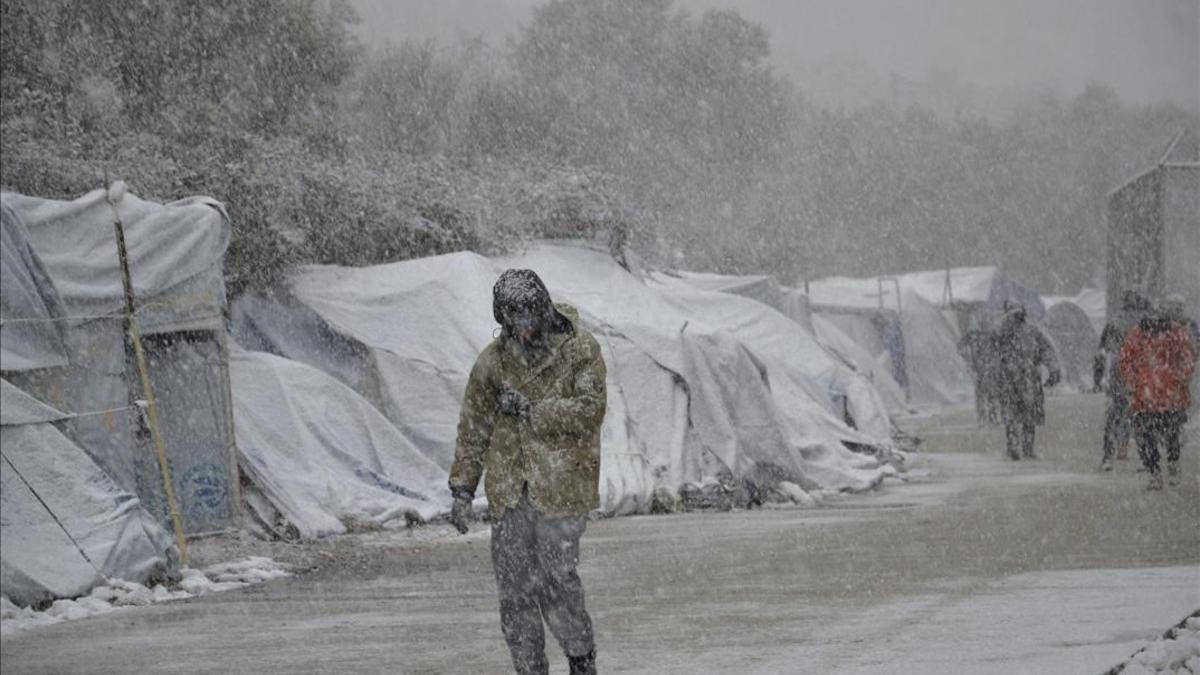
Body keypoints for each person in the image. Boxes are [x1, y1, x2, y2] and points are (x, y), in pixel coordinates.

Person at [448, 269, 607, 675]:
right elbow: (473, 427)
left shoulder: (579, 350)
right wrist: (463, 488)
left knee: (557, 580)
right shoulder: (492, 362)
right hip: (509, 491)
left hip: (562, 487)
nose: (521, 328)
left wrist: (535, 412)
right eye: (511, 319)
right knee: (515, 591)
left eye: (527, 317)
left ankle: (580, 658)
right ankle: (529, 668)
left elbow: (591, 410)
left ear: (543, 310)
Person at [1119, 304, 1196, 489]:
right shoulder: (1176, 333)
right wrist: (1180, 378)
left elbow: (1125, 360)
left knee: (1149, 438)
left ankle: (1156, 472)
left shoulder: (1137, 334)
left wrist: (1133, 382)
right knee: (1169, 436)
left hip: (1148, 397)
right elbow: (1188, 358)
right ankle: (1167, 467)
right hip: (1168, 397)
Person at [994, 304, 1061, 460]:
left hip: (1015, 379)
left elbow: (1046, 351)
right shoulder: (1027, 331)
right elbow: (1046, 351)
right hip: (1026, 380)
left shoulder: (1005, 331)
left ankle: (1015, 446)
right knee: (1026, 416)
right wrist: (1053, 369)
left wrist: (1053, 369)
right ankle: (1024, 448)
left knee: (1015, 414)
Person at [1094, 290, 1151, 471]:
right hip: (1140, 373)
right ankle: (1144, 457)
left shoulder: (1115, 320)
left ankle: (1108, 456)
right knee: (1140, 415)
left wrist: (1097, 378)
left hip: (1118, 371)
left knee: (1114, 414)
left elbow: (1100, 352)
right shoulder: (1146, 322)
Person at [958, 316, 999, 427]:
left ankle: (985, 417)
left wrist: (967, 357)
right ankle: (991, 417)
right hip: (985, 369)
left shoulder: (975, 335)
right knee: (989, 394)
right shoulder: (989, 335)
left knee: (983, 394)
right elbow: (961, 346)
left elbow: (960, 346)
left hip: (980, 369)